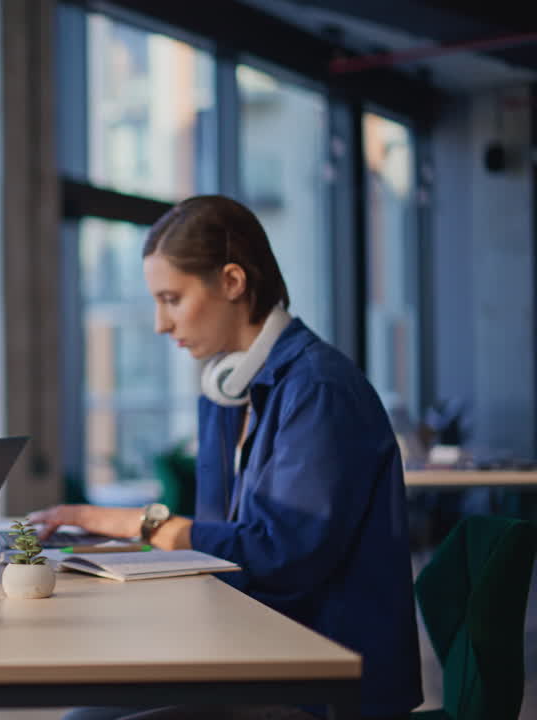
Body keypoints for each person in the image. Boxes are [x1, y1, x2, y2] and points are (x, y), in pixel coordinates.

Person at [30, 195, 422, 720]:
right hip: (252, 647)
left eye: (172, 299)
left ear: (233, 282)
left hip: (320, 679)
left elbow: (281, 557)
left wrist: (133, 523)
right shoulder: (228, 391)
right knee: (86, 715)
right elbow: (220, 546)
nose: (160, 324)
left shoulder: (318, 390)